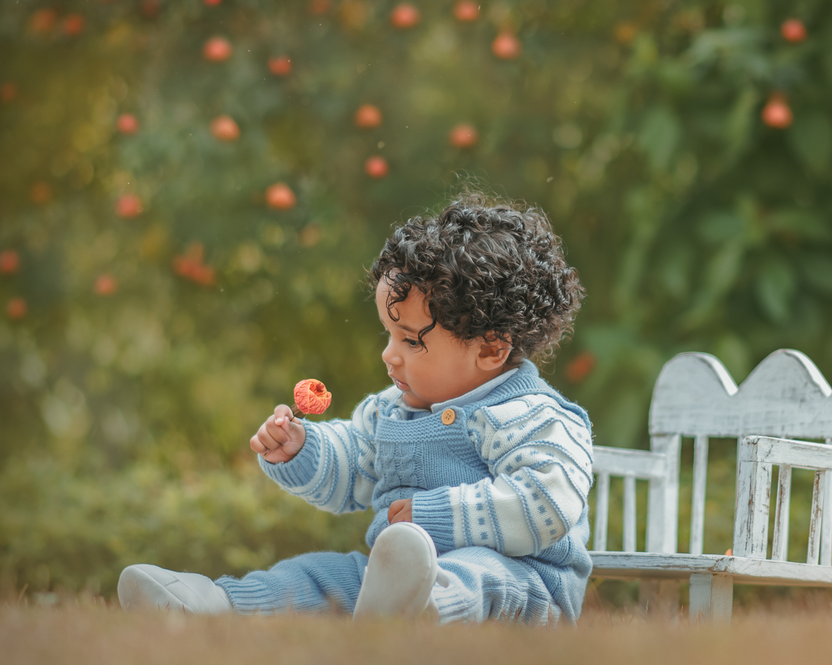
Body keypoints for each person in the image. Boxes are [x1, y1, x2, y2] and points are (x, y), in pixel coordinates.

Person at [118, 192, 593, 624]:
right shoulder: (393, 410)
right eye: (390, 335)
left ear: (490, 349)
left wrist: (431, 516)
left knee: (479, 573)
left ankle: (423, 608)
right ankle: (217, 605)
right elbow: (353, 463)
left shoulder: (532, 415)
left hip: (526, 586)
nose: (389, 355)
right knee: (320, 575)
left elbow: (546, 503)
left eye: (410, 340)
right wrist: (301, 448)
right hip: (391, 573)